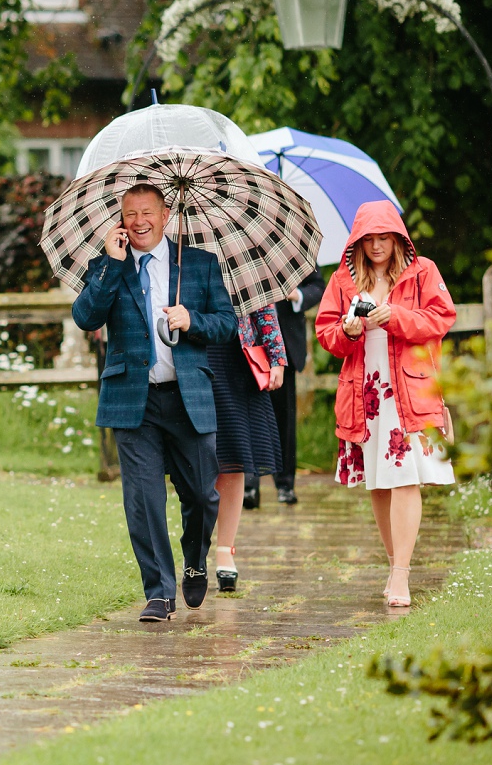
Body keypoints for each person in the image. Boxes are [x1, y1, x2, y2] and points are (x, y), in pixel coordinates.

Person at [72, 183, 237, 622]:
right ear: (120, 219)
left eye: (147, 212)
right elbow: (86, 317)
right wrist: (111, 264)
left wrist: (192, 319)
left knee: (202, 496)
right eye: (130, 214)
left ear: (166, 215)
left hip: (188, 398)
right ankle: (159, 592)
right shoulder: (108, 265)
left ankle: (196, 559)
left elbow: (226, 324)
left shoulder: (199, 264)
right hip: (134, 399)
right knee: (144, 499)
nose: (139, 221)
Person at [315, 201, 456, 608]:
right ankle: (395, 562)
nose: (377, 246)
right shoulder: (343, 280)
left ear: (398, 238)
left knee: (406, 477)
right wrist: (350, 330)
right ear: (357, 241)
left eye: (384, 238)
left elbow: (440, 319)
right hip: (367, 393)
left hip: (409, 390)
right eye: (369, 239)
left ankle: (401, 575)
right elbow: (327, 335)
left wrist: (393, 316)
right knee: (379, 483)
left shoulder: (422, 271)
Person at [208, 305, 287, 592]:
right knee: (199, 463)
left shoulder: (241, 258)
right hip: (191, 357)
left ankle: (224, 550)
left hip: (236, 358)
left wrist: (276, 357)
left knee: (233, 458)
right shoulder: (177, 259)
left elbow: (262, 303)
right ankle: (195, 551)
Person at [270, 269, 326, 505]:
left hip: (285, 342)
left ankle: (285, 484)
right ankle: (249, 487)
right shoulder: (236, 242)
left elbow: (317, 287)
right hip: (245, 343)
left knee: (285, 418)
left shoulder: (292, 242)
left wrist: (296, 295)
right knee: (247, 420)